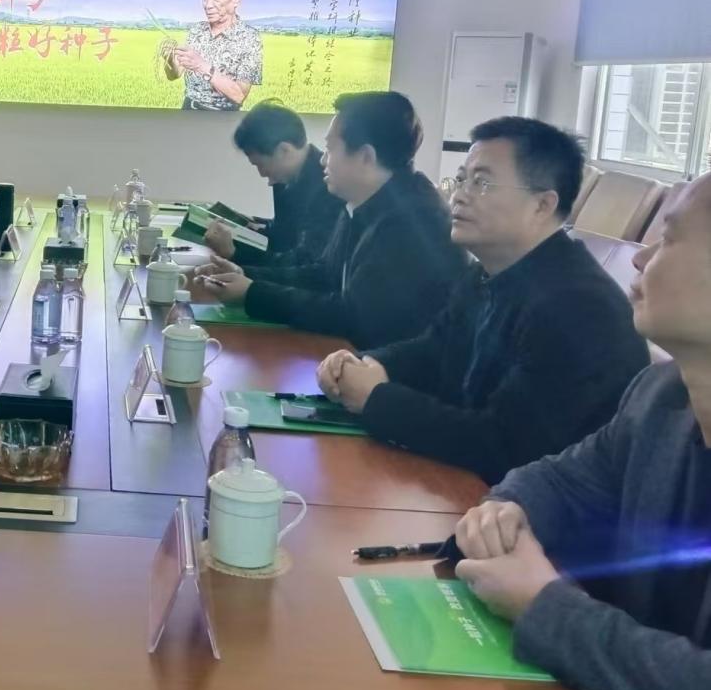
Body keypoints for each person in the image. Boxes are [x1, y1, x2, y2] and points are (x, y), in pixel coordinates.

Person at [450, 172, 711, 690]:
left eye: (668, 238)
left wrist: (544, 606)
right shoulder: (660, 395)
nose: (640, 257)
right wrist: (506, 510)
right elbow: (561, 479)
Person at [315, 117, 650, 483]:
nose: (459, 195)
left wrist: (376, 399)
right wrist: (367, 364)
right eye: (461, 179)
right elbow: (433, 350)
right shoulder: (488, 273)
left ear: (542, 205)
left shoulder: (579, 308)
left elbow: (503, 444)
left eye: (482, 183)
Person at [201, 91, 467, 348]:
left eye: (330, 149)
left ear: (366, 156)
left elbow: (352, 316)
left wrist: (253, 293)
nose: (323, 160)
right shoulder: (361, 202)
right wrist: (245, 277)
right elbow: (323, 274)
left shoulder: (412, 221)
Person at [204, 101, 342, 269]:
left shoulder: (327, 187)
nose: (262, 174)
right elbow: (283, 235)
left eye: (261, 165)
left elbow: (302, 263)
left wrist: (235, 254)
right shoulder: (288, 179)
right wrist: (245, 224)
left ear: (284, 150)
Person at [164, 0, 263, 111]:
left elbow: (239, 95)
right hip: (188, 111)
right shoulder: (197, 30)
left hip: (222, 118)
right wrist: (169, 60)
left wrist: (201, 65)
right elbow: (174, 75)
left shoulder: (250, 38)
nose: (208, 5)